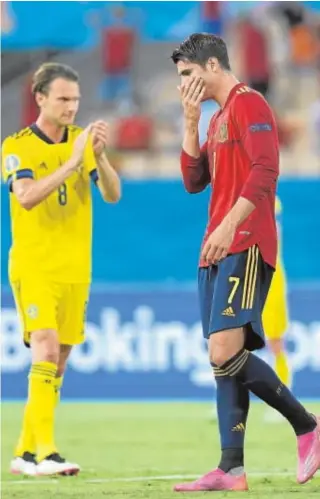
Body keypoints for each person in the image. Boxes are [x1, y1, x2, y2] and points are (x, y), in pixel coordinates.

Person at [171, 33, 320, 492]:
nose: (183, 85)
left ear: (212, 65)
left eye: (187, 75)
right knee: (224, 359)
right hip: (215, 247)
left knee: (223, 351)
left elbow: (265, 172)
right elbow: (195, 182)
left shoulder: (250, 104)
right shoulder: (215, 119)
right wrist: (191, 120)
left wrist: (229, 227)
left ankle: (307, 426)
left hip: (245, 243)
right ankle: (231, 468)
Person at [2, 62, 121, 477]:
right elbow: (27, 196)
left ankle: (22, 452)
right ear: (39, 98)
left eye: (75, 99)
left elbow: (112, 196)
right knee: (47, 349)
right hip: (35, 265)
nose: (72, 107)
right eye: (63, 99)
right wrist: (71, 164)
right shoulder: (16, 146)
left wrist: (100, 160)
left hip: (75, 269)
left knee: (60, 362)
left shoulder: (82, 143)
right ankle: (47, 453)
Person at [263, 196, 291, 422]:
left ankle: (283, 400)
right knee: (234, 339)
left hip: (269, 275)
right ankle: (230, 400)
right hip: (247, 274)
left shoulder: (270, 200)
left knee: (275, 341)